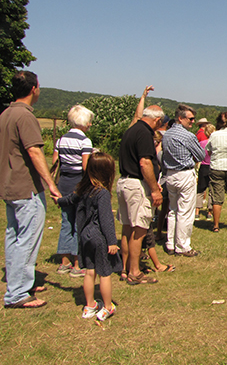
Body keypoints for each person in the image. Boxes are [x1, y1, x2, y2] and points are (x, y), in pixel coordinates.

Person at [0, 71, 61, 308]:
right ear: (34, 88)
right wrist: (51, 184)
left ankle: (20, 282)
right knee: (27, 239)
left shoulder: (6, 113)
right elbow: (35, 151)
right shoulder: (25, 116)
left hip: (9, 186)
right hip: (26, 187)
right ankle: (17, 294)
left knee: (14, 237)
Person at [55, 152, 122, 320]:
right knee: (104, 273)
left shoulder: (83, 189)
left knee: (89, 271)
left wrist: (58, 200)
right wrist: (112, 241)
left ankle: (89, 305)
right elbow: (106, 219)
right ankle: (107, 306)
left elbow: (70, 200)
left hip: (84, 235)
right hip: (98, 236)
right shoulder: (103, 193)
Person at [117, 105, 164, 285]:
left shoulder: (131, 130)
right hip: (136, 185)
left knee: (127, 227)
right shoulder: (145, 133)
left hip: (124, 182)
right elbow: (145, 163)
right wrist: (154, 189)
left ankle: (125, 268)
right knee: (140, 228)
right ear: (157, 120)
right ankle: (135, 271)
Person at [53, 104, 95, 278]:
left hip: (63, 183)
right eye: (90, 122)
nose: (91, 125)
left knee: (66, 222)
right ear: (84, 122)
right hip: (78, 183)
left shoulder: (61, 140)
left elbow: (56, 163)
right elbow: (85, 167)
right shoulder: (85, 141)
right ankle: (78, 263)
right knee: (80, 223)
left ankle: (64, 261)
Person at [162, 104, 205, 257]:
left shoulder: (166, 134)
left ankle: (170, 243)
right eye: (191, 119)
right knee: (185, 212)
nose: (192, 122)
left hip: (170, 174)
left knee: (173, 210)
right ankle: (183, 246)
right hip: (184, 174)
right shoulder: (187, 136)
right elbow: (201, 155)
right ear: (181, 118)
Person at [196, 124, 215, 220]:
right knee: (212, 191)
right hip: (212, 167)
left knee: (200, 190)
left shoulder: (201, 143)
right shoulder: (215, 143)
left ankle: (197, 211)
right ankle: (210, 212)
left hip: (203, 166)